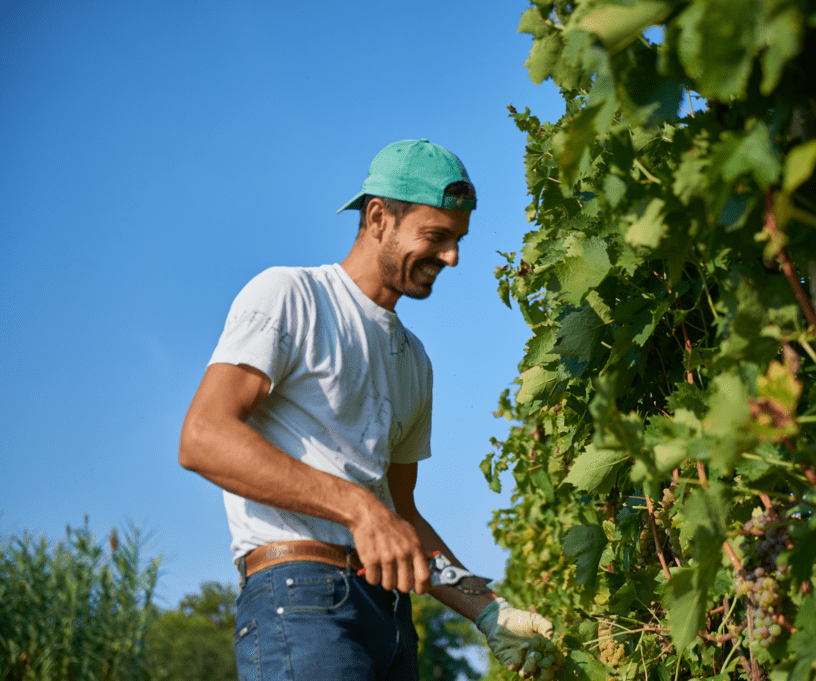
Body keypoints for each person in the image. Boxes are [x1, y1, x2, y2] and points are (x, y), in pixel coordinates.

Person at [179, 139, 554, 680]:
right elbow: (203, 436)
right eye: (437, 236)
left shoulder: (414, 362)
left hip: (391, 618)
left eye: (458, 240)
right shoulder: (292, 296)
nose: (451, 257)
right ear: (379, 217)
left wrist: (487, 609)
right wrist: (359, 508)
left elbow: (399, 514)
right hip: (304, 601)